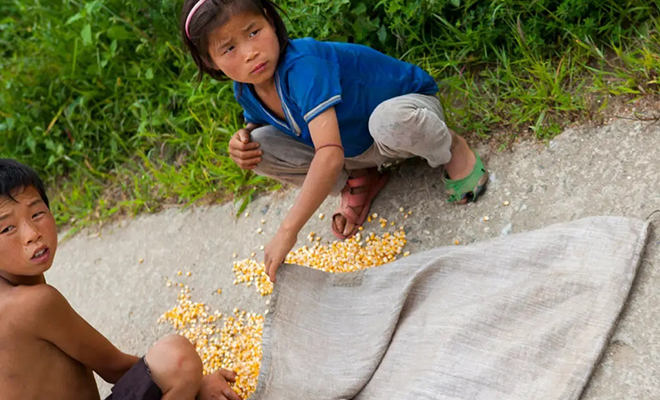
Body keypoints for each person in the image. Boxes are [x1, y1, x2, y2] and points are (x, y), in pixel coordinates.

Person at [180, 0, 489, 282]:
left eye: (254, 32)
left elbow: (328, 155)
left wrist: (288, 230)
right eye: (229, 48)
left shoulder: (303, 67)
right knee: (259, 145)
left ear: (271, 22)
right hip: (357, 146)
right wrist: (242, 138)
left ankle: (452, 147)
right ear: (210, 61)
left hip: (407, 112)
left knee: (389, 122)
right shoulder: (246, 87)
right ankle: (361, 176)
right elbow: (264, 120)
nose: (250, 52)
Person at [0, 159, 242, 400]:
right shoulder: (34, 304)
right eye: (7, 229)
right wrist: (198, 386)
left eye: (37, 213)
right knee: (177, 359)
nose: (32, 234)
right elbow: (114, 367)